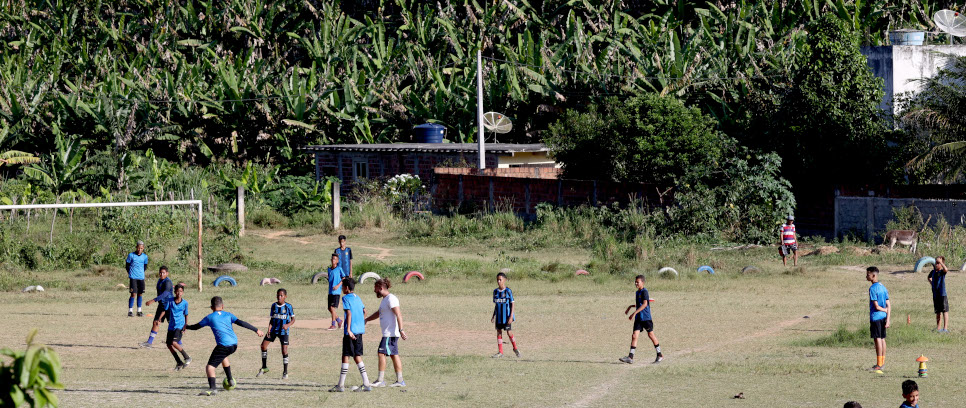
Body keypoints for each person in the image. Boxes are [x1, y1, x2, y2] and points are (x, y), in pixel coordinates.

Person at [186, 296, 264, 396]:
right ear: (222, 306)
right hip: (234, 344)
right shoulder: (228, 314)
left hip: (223, 345)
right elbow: (241, 323)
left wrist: (186, 327)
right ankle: (230, 379)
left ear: (211, 307)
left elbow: (196, 327)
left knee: (210, 367)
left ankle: (213, 389)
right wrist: (256, 330)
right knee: (224, 357)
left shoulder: (209, 317)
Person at [329, 277, 371, 392]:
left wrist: (348, 330)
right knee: (356, 355)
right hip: (359, 331)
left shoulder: (345, 298)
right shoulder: (358, 297)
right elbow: (364, 311)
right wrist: (361, 324)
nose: (342, 288)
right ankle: (365, 383)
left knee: (347, 355)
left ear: (346, 288)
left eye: (342, 287)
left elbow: (349, 313)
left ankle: (341, 386)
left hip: (351, 332)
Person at [364, 278, 408, 387]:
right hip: (388, 333)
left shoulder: (391, 299)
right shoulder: (385, 299)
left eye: (375, 288)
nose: (374, 291)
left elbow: (398, 314)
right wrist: (366, 319)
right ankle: (400, 381)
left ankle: (380, 380)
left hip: (390, 333)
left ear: (381, 287)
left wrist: (401, 329)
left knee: (381, 353)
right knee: (394, 355)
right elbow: (379, 313)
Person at [619, 275, 663, 364]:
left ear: (642, 282)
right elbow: (639, 304)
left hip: (646, 318)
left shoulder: (644, 292)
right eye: (635, 282)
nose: (636, 283)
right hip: (639, 318)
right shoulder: (637, 292)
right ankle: (630, 357)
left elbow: (644, 304)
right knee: (634, 336)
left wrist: (634, 313)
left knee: (651, 335)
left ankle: (659, 354)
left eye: (637, 282)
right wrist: (630, 307)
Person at [257, 288, 295, 379]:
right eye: (278, 295)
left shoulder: (288, 306)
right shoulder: (273, 306)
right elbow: (272, 319)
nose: (279, 297)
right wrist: (269, 329)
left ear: (285, 297)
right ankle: (264, 367)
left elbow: (293, 319)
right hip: (273, 330)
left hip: (283, 331)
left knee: (284, 351)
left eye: (281, 295)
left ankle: (285, 372)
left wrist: (287, 325)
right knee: (263, 346)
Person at [140, 266, 173, 347]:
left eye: (163, 273)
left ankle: (178, 343)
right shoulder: (160, 280)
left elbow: (165, 294)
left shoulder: (168, 282)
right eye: (160, 273)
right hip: (161, 305)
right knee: (156, 322)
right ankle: (149, 342)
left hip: (169, 306)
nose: (161, 274)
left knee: (172, 324)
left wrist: (153, 300)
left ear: (167, 273)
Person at [161, 283, 191, 370]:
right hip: (171, 326)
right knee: (169, 345)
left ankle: (187, 357)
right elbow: (165, 310)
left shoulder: (185, 303)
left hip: (180, 326)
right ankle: (179, 362)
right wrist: (159, 318)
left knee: (174, 343)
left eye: (181, 291)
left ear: (183, 293)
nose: (179, 293)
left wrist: (185, 325)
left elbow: (186, 314)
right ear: (175, 292)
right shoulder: (170, 301)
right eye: (177, 291)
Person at [867, 266, 891, 374]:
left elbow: (876, 306)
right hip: (883, 318)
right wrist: (888, 318)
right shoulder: (883, 287)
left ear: (873, 275)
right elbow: (888, 304)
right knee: (882, 339)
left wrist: (884, 310)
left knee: (877, 340)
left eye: (868, 274)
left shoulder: (873, 288)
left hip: (876, 317)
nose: (866, 276)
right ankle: (882, 362)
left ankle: (879, 364)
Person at [491, 272, 520, 358]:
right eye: (497, 280)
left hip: (506, 317)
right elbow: (496, 305)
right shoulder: (495, 292)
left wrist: (511, 316)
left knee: (509, 333)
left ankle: (515, 348)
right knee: (499, 332)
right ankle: (500, 352)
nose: (498, 281)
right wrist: (493, 316)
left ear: (505, 280)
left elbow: (512, 304)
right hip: (499, 317)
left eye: (500, 279)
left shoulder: (508, 291)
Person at [126, 241, 149, 317]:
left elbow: (145, 266)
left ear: (143, 248)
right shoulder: (131, 255)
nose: (139, 249)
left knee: (140, 293)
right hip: (133, 277)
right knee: (133, 294)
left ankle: (139, 311)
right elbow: (127, 265)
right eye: (138, 248)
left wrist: (140, 273)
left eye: (141, 248)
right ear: (136, 247)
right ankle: (130, 311)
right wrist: (131, 273)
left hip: (141, 278)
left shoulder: (145, 257)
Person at [928, 256, 949, 333]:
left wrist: (941, 262)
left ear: (941, 264)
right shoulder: (933, 272)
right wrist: (932, 283)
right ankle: (938, 328)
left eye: (938, 263)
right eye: (936, 263)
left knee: (945, 311)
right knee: (938, 312)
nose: (936, 265)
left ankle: (945, 328)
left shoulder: (942, 272)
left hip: (942, 294)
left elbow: (946, 269)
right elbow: (929, 277)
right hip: (935, 295)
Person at [326, 254, 345, 331]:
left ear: (337, 261)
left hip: (336, 292)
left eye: (335, 259)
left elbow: (344, 278)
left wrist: (338, 286)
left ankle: (333, 325)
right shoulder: (329, 269)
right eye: (332, 259)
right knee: (329, 308)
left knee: (332, 308)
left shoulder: (339, 269)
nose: (333, 260)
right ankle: (339, 321)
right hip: (330, 291)